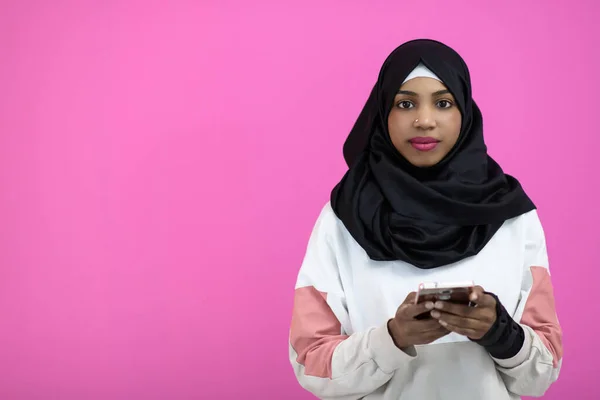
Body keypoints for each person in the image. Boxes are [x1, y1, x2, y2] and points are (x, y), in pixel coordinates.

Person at [288, 39, 562, 400]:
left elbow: (543, 372)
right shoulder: (343, 218)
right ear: (383, 111)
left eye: (443, 103)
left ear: (465, 112)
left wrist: (500, 333)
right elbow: (311, 363)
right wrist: (393, 339)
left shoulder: (512, 216)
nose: (425, 120)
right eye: (405, 103)